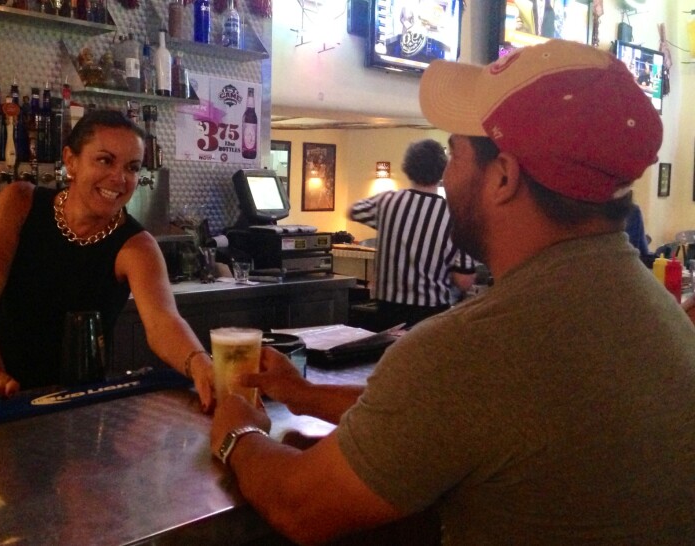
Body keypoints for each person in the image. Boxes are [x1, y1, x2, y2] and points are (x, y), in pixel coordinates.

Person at [210, 40, 695, 545]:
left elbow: (299, 505)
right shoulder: (652, 305)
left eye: (454, 153)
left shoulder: (475, 347)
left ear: (503, 176)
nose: (445, 175)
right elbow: (455, 416)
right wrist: (304, 395)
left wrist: (236, 432)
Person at [0, 110, 215, 411]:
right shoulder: (20, 203)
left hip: (76, 403)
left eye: (132, 167)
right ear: (71, 160)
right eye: (105, 160)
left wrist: (201, 365)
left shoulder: (137, 246)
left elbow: (164, 323)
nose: (119, 178)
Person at [349, 139, 475, 330]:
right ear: (443, 171)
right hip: (431, 313)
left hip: (387, 310)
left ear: (408, 168)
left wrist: (388, 225)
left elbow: (353, 210)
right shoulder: (455, 215)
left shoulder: (388, 201)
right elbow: (464, 281)